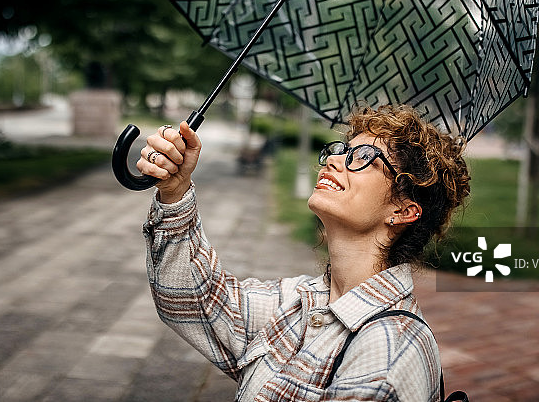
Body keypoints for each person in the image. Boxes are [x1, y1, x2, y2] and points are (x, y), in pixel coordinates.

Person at [136, 105, 471, 401]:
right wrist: (175, 190)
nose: (335, 160)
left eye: (365, 157)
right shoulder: (303, 300)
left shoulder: (386, 352)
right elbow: (195, 302)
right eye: (342, 150)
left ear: (403, 210)